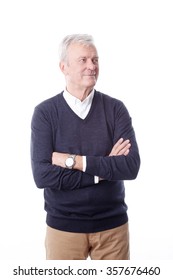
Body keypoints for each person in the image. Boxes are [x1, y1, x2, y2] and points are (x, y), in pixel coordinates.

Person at [30, 34, 140, 260]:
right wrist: (103, 170)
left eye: (95, 60)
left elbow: (129, 167)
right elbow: (42, 176)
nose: (92, 66)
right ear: (64, 67)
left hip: (113, 228)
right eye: (83, 60)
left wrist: (73, 161)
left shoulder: (115, 109)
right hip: (63, 228)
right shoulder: (45, 114)